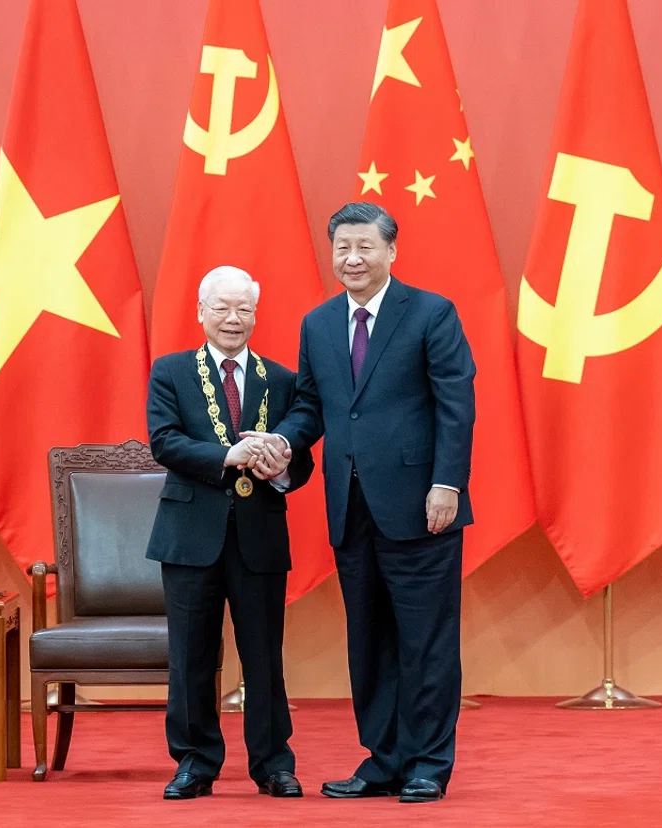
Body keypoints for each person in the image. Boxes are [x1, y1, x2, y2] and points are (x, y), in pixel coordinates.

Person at [244, 202, 476, 803]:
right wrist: (280, 441)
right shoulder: (318, 324)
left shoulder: (430, 313)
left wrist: (447, 483)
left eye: (365, 246)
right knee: (369, 640)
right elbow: (312, 408)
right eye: (342, 247)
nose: (352, 258)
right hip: (350, 507)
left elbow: (457, 404)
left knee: (425, 640)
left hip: (423, 505)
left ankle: (428, 761)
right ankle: (384, 758)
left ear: (391, 251)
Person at [145, 265, 313, 800]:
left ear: (256, 315)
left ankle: (272, 764)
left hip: (259, 536)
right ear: (201, 312)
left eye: (243, 309)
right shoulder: (170, 371)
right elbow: (164, 441)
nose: (233, 319)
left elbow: (303, 463)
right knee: (191, 654)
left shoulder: (282, 380)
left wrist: (279, 466)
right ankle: (194, 762)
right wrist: (228, 455)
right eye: (221, 308)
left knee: (264, 655)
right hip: (190, 534)